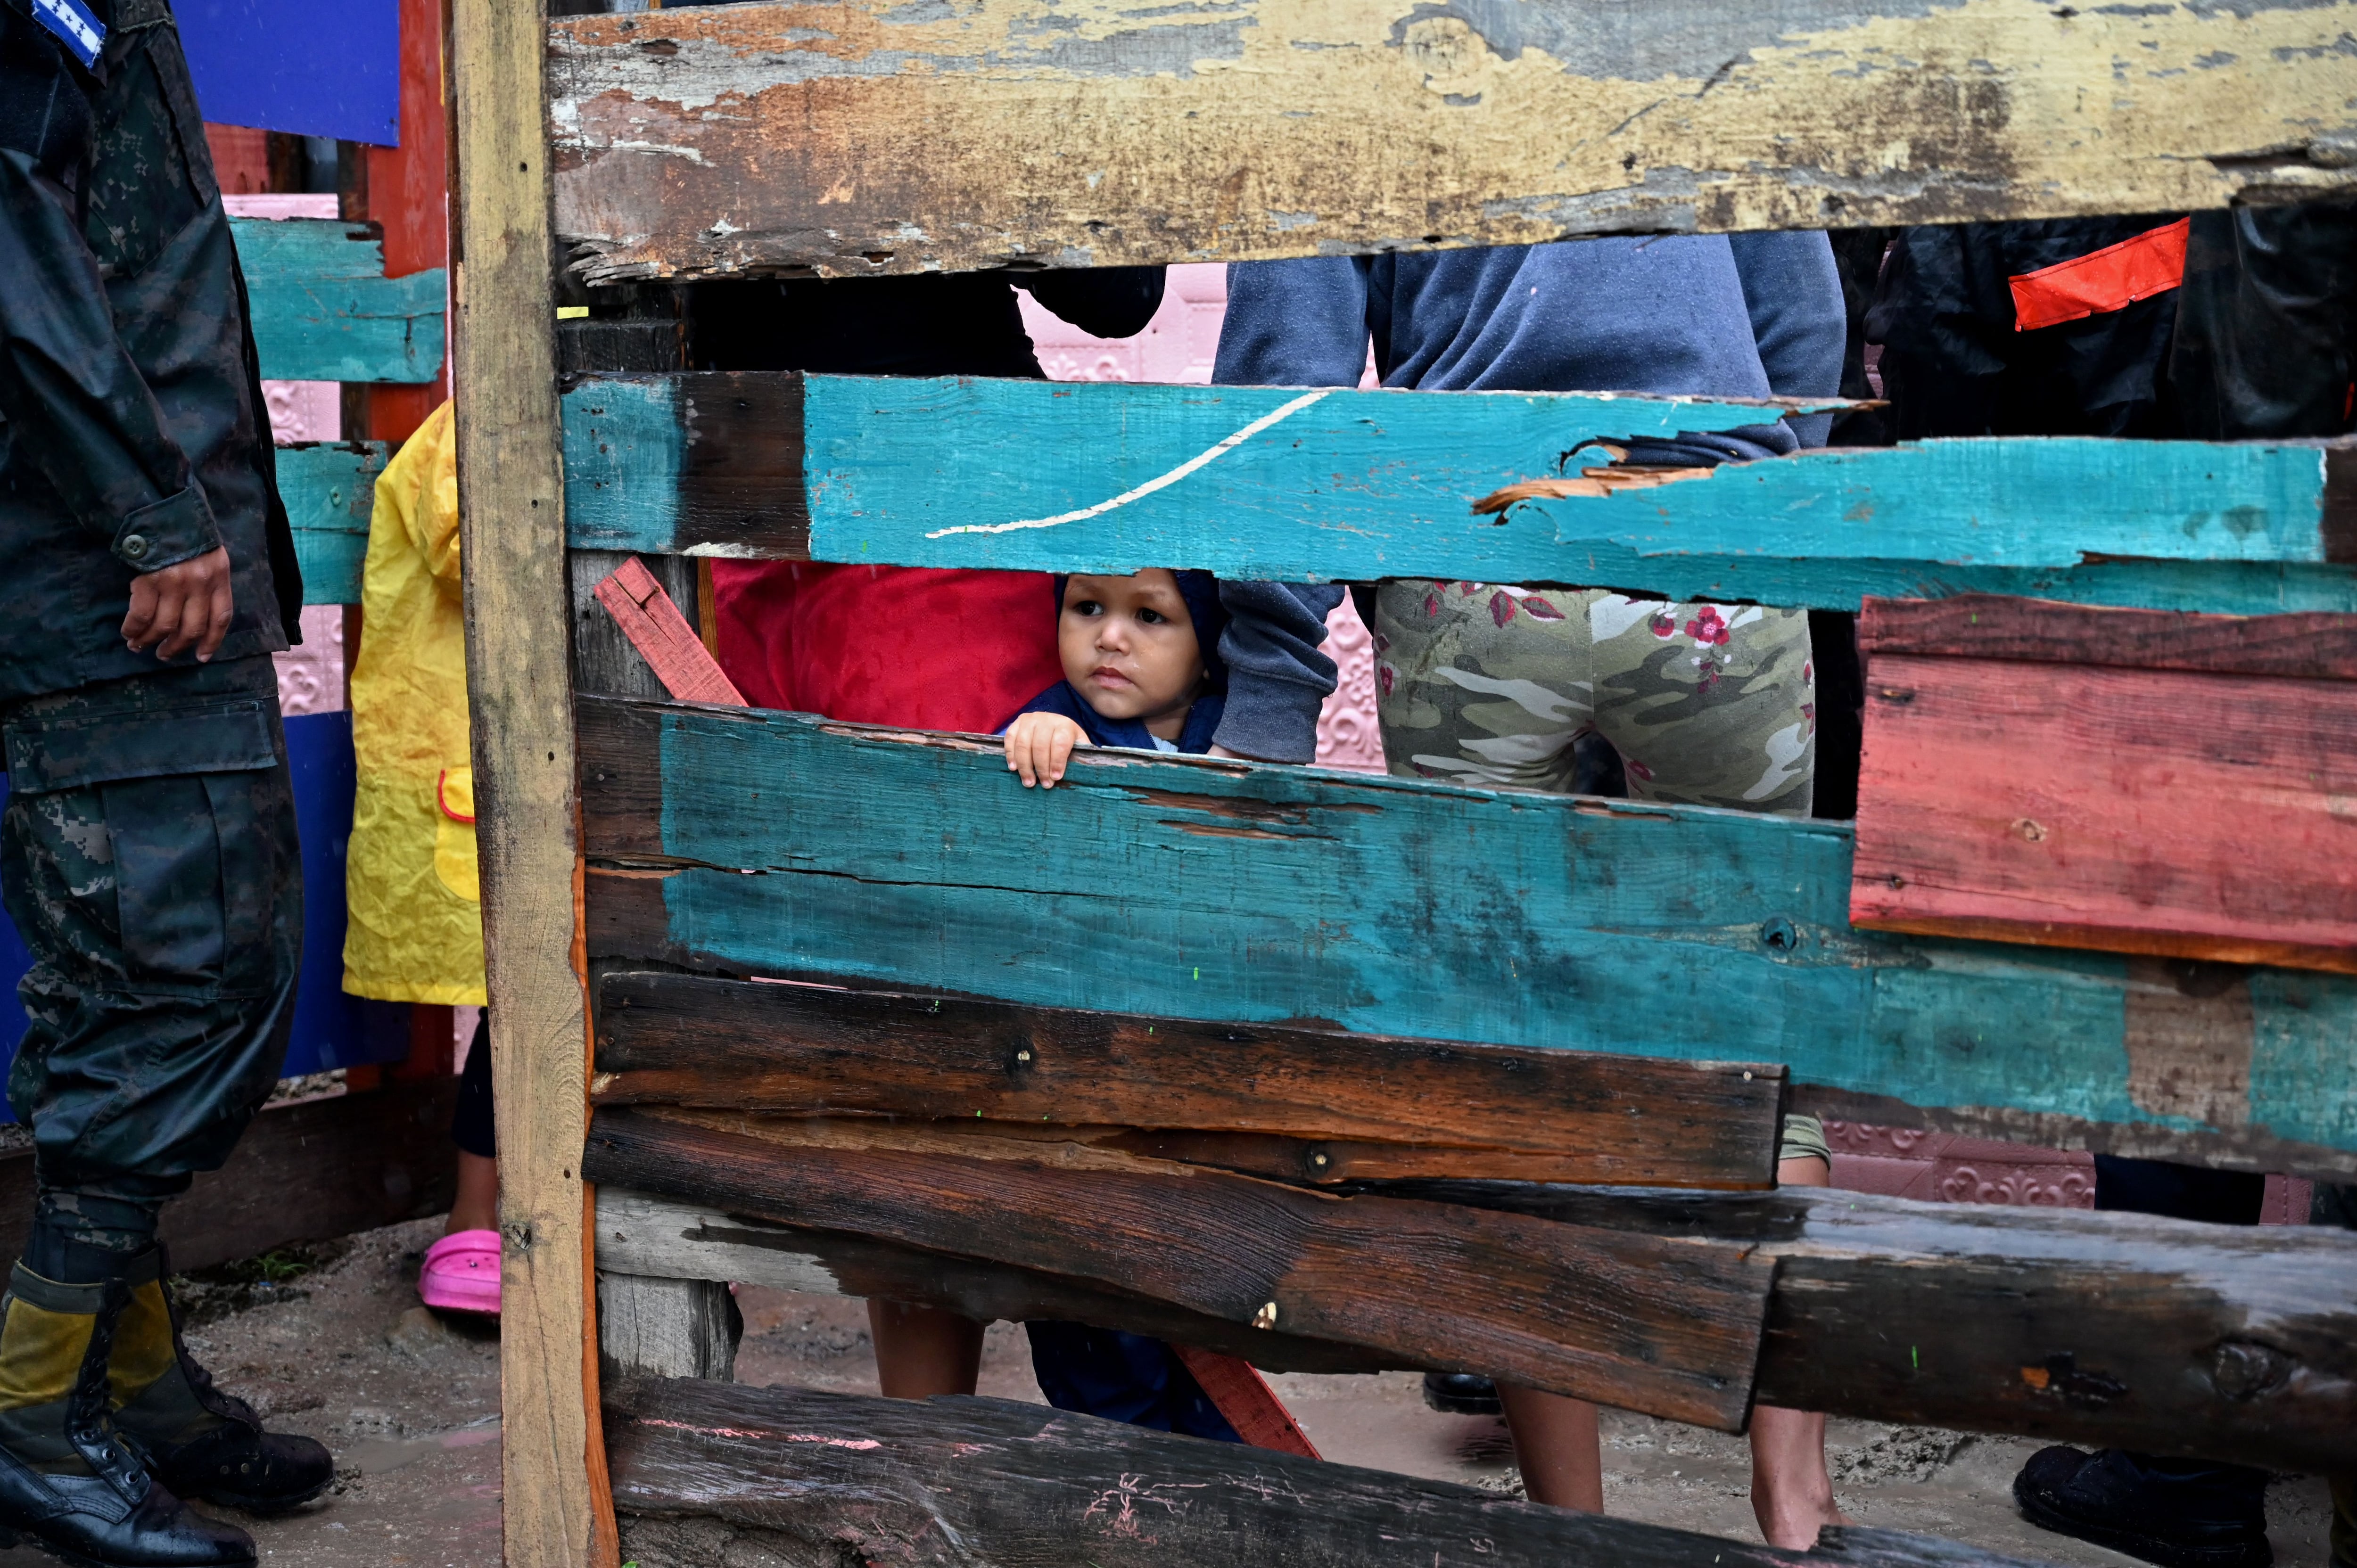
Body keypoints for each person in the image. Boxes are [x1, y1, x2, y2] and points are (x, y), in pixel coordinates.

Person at [1215, 232, 1852, 1545]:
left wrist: (1273, 680)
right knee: (1760, 1031)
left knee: (1508, 1061)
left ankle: (1573, 1526)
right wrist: (1767, 502)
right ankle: (1799, 1506)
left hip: (1484, 554)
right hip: (1716, 559)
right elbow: (1802, 317)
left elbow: (1290, 374)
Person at [0, 0, 335, 1561]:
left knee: (134, 980)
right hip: (105, 583)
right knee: (179, 978)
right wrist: (150, 507)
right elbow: (10, 229)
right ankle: (26, 1410)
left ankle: (125, 1381)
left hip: (120, 570)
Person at [332, 402, 500, 1315]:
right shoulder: (465, 437)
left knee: (560, 998)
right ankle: (476, 1206)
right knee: (525, 1003)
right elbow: (483, 550)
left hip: (576, 762)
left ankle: (499, 1207)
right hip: (482, 769)